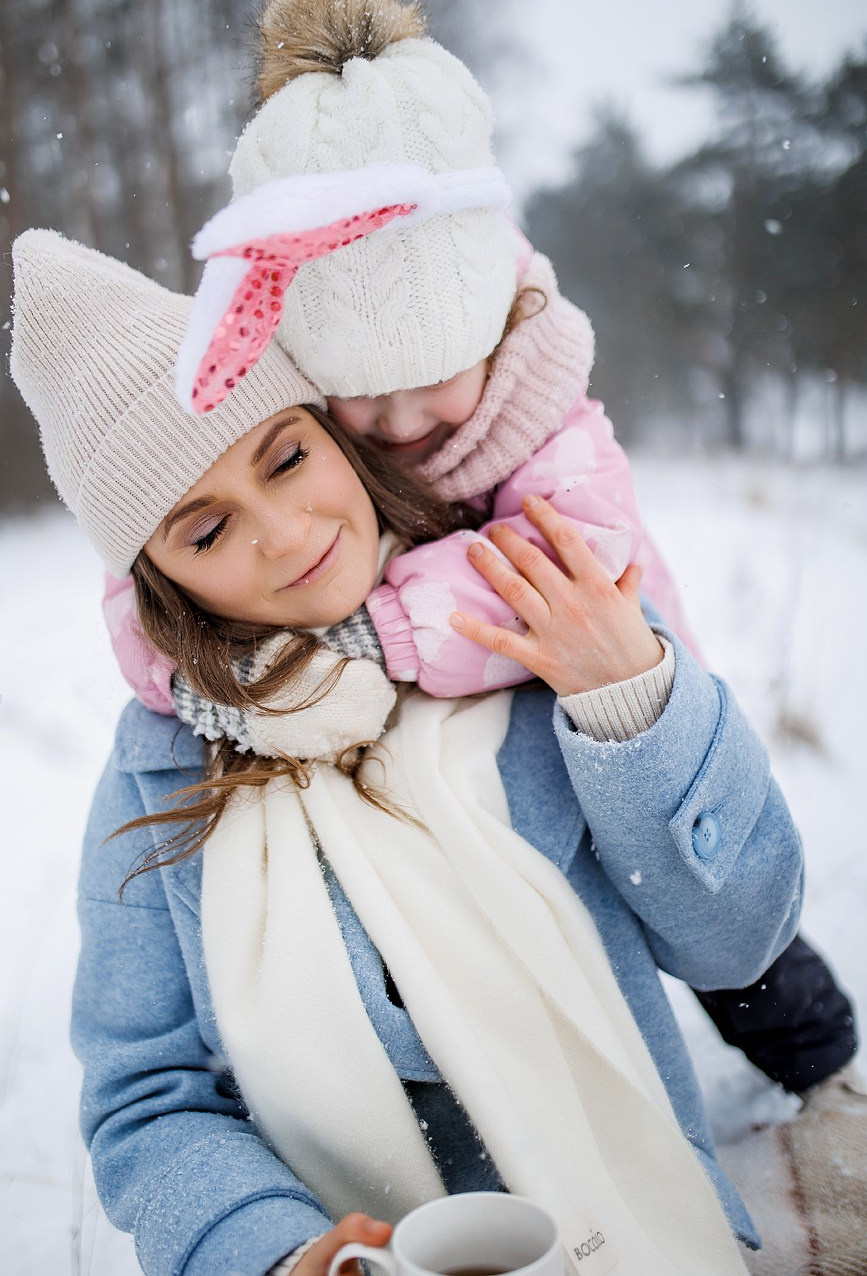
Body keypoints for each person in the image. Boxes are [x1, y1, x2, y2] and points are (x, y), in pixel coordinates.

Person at [108, 0, 859, 1137]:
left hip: (604, 667)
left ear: (498, 321)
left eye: (434, 377)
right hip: (456, 697)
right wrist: (173, 653)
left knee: (720, 936)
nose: (405, 421)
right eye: (363, 393)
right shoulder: (299, 439)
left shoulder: (546, 396)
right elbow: (158, 536)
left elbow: (556, 569)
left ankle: (821, 1058)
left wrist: (380, 633)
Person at [11, 227, 808, 1275]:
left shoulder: (535, 610)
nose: (287, 534)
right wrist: (271, 1252)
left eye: (286, 457)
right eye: (205, 532)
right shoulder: (159, 769)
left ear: (337, 434)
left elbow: (736, 940)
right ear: (158, 580)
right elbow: (148, 1096)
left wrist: (633, 704)